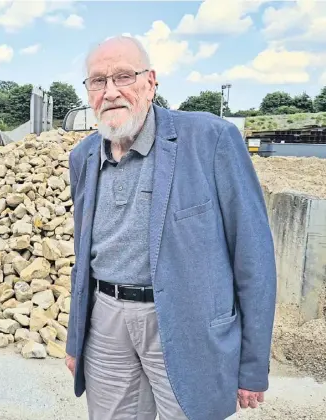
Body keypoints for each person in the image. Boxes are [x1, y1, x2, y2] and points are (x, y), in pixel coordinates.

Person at [64, 36, 277, 420]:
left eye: (123, 76)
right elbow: (84, 257)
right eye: (97, 81)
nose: (110, 91)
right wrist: (77, 338)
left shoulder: (210, 139)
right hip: (106, 322)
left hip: (186, 324)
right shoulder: (82, 157)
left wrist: (253, 363)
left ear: (150, 82)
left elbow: (253, 255)